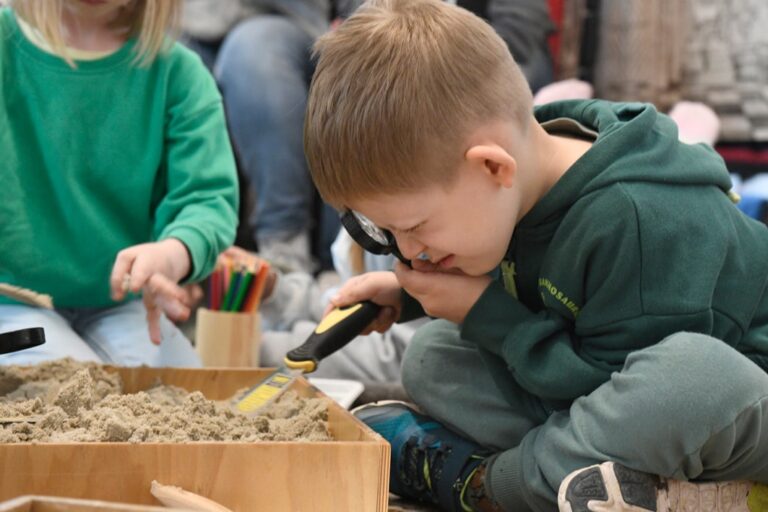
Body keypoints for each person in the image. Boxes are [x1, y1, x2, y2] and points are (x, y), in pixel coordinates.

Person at [302, 1, 768, 511]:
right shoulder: (520, 178)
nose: (407, 249)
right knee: (434, 357)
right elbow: (545, 297)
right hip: (611, 399)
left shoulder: (635, 218)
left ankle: (488, 485)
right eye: (385, 232)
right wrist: (411, 296)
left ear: (492, 168)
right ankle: (601, 486)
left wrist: (484, 312)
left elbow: (609, 388)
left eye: (414, 228)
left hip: (736, 404)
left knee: (692, 377)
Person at [0, 0, 239, 367]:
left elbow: (207, 199)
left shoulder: (179, 73)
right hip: (13, 302)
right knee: (73, 400)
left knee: (182, 399)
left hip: (126, 304)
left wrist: (172, 254)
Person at [182, 0, 337, 273]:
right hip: (187, 25)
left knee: (252, 53)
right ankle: (180, 250)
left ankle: (284, 252)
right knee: (166, 64)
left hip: (304, 27)